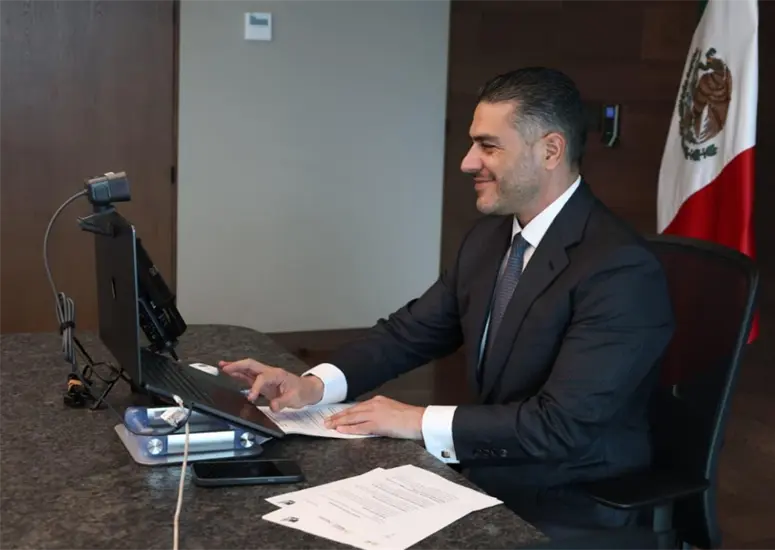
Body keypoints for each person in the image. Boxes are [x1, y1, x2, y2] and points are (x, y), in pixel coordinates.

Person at [220, 67, 675, 538]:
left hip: (572, 501)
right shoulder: (490, 239)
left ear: (550, 150)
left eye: (488, 146)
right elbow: (410, 333)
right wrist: (313, 387)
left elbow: (559, 426)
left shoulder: (619, 269)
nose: (466, 162)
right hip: (490, 476)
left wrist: (415, 419)